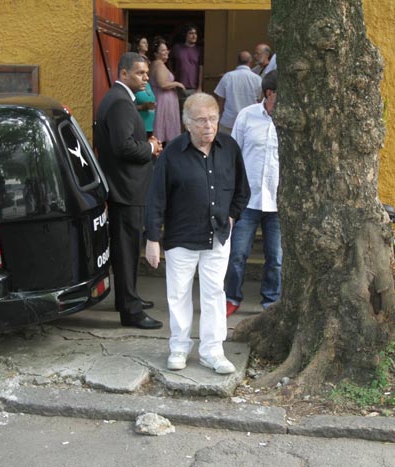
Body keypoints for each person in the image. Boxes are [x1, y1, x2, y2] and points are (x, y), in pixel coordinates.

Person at [144, 93, 249, 374]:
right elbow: (156, 197)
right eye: (201, 120)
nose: (208, 126)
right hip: (181, 236)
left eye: (213, 119)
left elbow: (242, 189)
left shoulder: (229, 148)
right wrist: (152, 239)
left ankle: (213, 351)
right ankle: (179, 348)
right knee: (178, 294)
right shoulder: (172, 154)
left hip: (217, 236)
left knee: (215, 293)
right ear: (187, 123)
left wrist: (232, 215)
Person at [94, 52, 163, 330]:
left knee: (127, 249)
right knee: (126, 251)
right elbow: (123, 147)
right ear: (123, 74)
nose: (146, 77)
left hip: (126, 187)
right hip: (126, 188)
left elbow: (123, 140)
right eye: (140, 73)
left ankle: (128, 298)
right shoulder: (121, 103)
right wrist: (150, 148)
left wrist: (145, 141)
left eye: (147, 73)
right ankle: (130, 311)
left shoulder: (120, 99)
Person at [225, 71, 281, 317]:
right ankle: (231, 297)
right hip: (247, 200)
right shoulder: (247, 116)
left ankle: (271, 302)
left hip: (277, 202)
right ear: (270, 93)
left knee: (276, 258)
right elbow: (232, 156)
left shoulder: (289, 121)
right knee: (237, 254)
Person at [213, 51, 262, 134]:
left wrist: (217, 118)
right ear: (250, 62)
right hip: (249, 121)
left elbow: (220, 101)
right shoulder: (257, 79)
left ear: (237, 62)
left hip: (229, 121)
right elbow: (260, 101)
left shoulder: (227, 76)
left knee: (226, 145)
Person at [149, 37, 185, 144]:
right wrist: (177, 83)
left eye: (166, 50)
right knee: (164, 124)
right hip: (163, 99)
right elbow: (162, 84)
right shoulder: (158, 64)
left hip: (164, 98)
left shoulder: (158, 64)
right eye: (163, 50)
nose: (166, 52)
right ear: (156, 53)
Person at [171, 24, 203, 97]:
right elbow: (169, 62)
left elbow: (201, 68)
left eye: (195, 33)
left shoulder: (199, 50)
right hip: (179, 86)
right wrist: (172, 78)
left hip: (194, 88)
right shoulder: (177, 48)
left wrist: (200, 87)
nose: (194, 36)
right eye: (191, 33)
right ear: (186, 34)